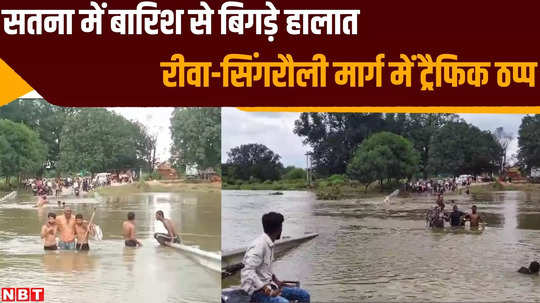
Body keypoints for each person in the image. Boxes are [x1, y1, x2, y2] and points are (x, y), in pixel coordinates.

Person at [241, 212, 310, 303]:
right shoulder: (259, 246)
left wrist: (276, 281)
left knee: (304, 295)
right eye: (281, 226)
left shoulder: (269, 243)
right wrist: (268, 291)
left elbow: (265, 269)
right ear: (278, 229)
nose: (282, 229)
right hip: (256, 292)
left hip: (270, 286)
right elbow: (248, 271)